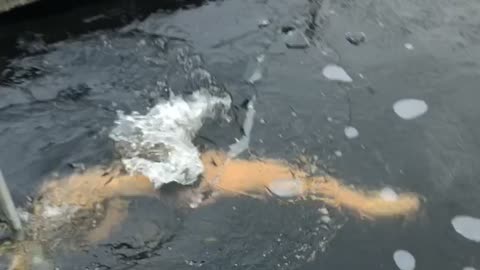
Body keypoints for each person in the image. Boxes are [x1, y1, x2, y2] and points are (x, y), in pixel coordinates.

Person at [7, 150, 420, 270]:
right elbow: (49, 216)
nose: (111, 233)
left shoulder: (212, 179)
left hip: (193, 174)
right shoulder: (78, 190)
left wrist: (363, 203)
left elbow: (301, 181)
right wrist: (25, 254)